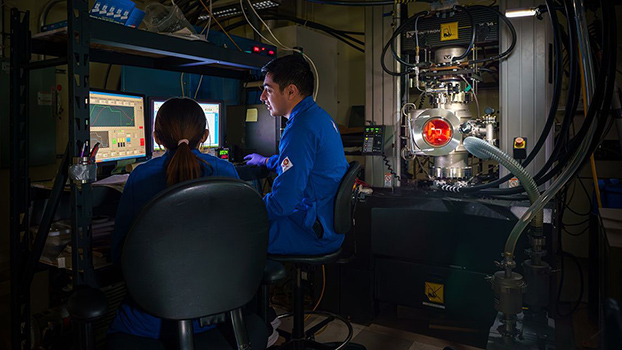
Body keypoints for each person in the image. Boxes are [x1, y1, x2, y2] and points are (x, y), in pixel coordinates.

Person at [108, 98, 241, 344]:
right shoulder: (226, 171)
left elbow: (121, 256)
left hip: (151, 321)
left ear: (157, 138)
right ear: (206, 135)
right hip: (215, 311)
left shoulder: (140, 177)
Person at [244, 54, 348, 256]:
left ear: (291, 91)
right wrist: (266, 161)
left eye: (268, 90)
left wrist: (245, 206)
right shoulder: (317, 117)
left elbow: (283, 203)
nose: (262, 97)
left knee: (231, 231)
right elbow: (301, 164)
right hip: (325, 225)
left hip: (311, 233)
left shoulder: (300, 128)